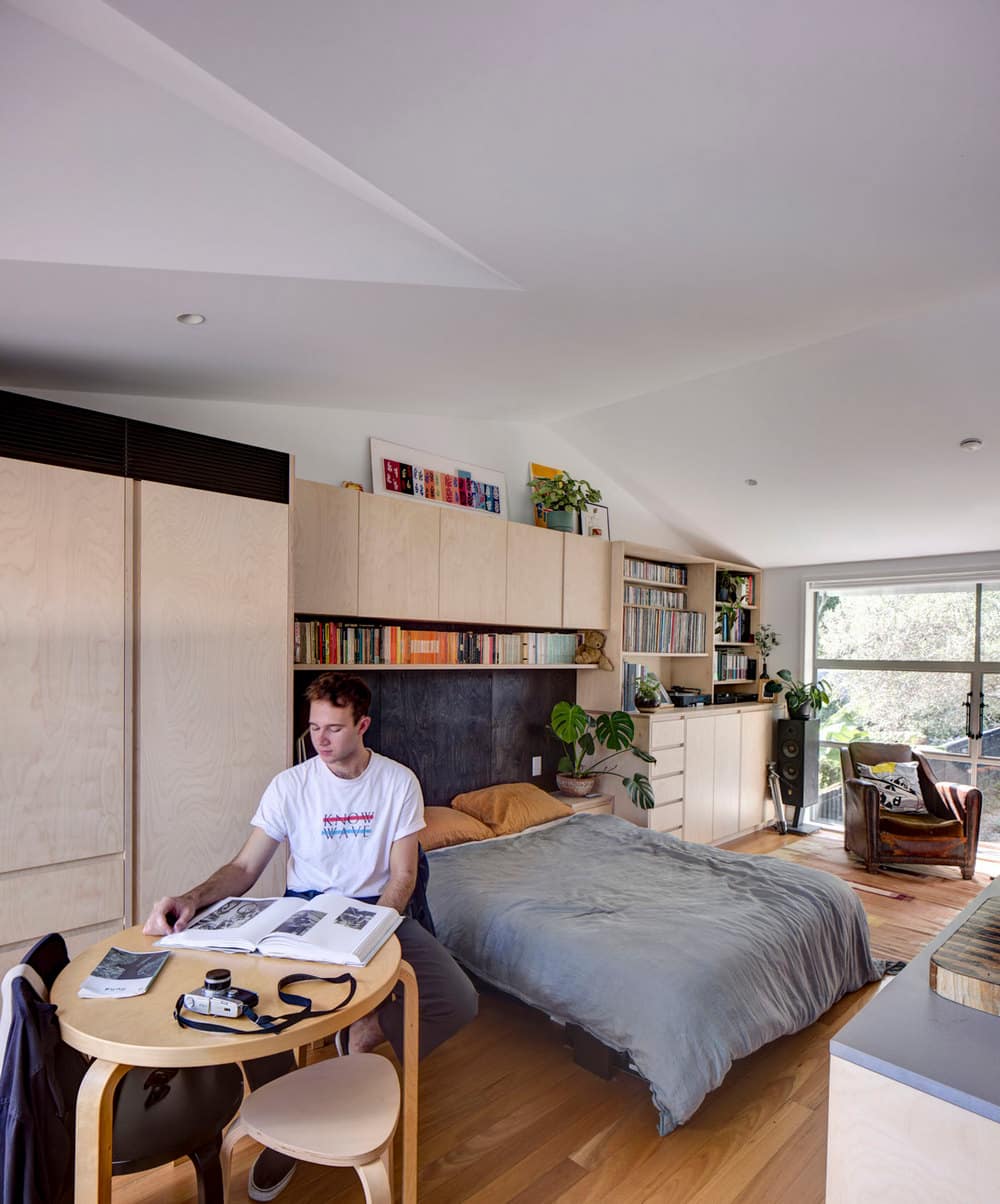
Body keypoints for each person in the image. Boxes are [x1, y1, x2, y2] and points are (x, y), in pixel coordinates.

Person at [143, 671, 478, 1202]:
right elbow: (245, 867)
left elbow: (403, 877)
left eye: (335, 728)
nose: (321, 740)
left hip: (374, 912)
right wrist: (192, 897)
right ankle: (286, 1125)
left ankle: (363, 1037)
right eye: (314, 728)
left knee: (459, 1001)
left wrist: (370, 934)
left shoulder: (397, 782)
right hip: (302, 912)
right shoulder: (291, 785)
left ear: (363, 724)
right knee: (257, 1012)